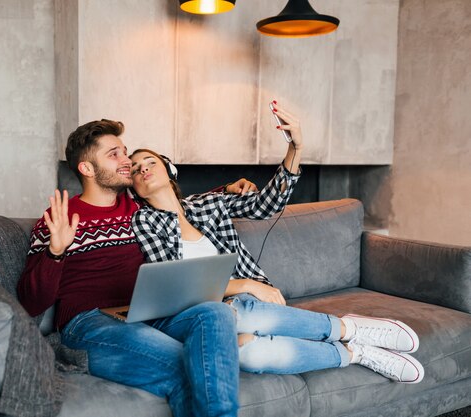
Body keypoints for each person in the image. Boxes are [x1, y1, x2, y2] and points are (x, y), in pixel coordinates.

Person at [129, 102, 425, 384]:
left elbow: (266, 206)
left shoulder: (208, 204)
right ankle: (354, 345)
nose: (142, 168)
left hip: (247, 304)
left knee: (241, 315)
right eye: (134, 169)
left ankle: (350, 332)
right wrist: (246, 284)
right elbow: (178, 283)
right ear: (133, 188)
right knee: (248, 352)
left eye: (150, 161)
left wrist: (295, 148)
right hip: (206, 311)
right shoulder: (144, 221)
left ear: (169, 170)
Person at [18, 119, 260, 417]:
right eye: (114, 155)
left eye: (124, 151)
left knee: (216, 311)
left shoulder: (136, 208)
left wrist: (227, 189)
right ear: (87, 169)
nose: (126, 162)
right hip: (89, 323)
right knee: (186, 365)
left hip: (148, 314)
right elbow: (31, 302)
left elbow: (176, 202)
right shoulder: (58, 219)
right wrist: (55, 252)